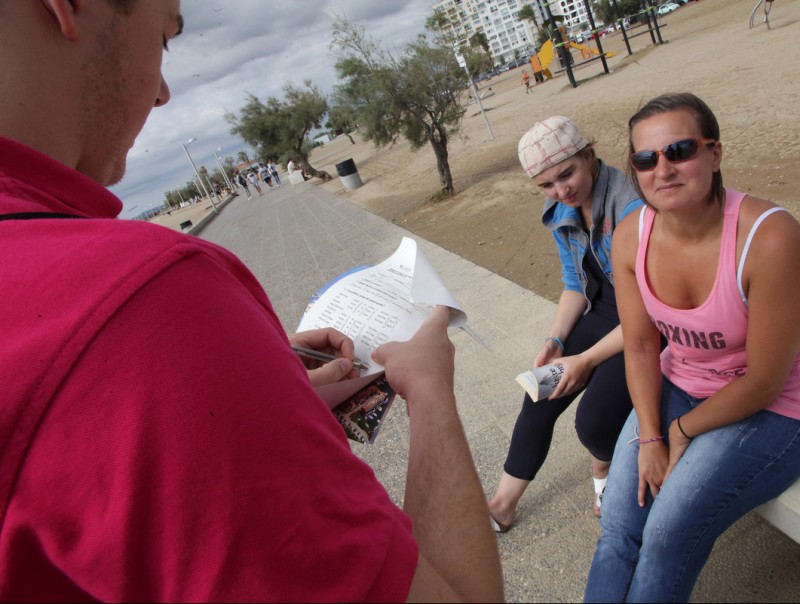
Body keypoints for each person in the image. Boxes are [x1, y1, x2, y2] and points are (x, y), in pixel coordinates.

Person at [0, 2, 504, 601]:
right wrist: (429, 390)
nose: (161, 92)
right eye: (164, 38)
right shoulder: (138, 306)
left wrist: (249, 381)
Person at [585, 92, 800, 602]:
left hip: (773, 408)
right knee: (618, 528)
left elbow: (765, 380)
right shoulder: (631, 234)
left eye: (680, 150)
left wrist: (676, 432)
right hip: (681, 383)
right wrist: (651, 437)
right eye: (646, 158)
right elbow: (639, 346)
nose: (664, 169)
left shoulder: (769, 237)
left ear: (714, 154)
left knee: (665, 533)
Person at [487, 116, 643, 531]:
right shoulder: (560, 210)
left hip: (644, 321)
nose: (562, 190)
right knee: (539, 391)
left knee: (593, 421)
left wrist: (586, 360)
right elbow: (575, 282)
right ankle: (502, 504)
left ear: (588, 156)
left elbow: (650, 307)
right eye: (547, 185)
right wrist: (556, 340)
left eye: (568, 173)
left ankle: (605, 474)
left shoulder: (630, 206)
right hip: (605, 310)